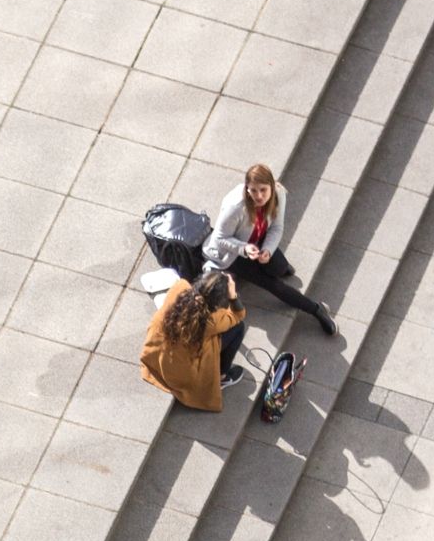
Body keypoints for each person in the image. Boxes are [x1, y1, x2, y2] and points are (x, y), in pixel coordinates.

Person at [208, 163, 333, 332]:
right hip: (233, 253)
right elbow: (218, 238)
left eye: (263, 190)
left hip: (258, 242)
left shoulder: (278, 194)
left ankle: (277, 265)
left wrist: (268, 249)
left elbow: (276, 227)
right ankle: (317, 309)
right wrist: (244, 249)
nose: (259, 196)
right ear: (247, 188)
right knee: (271, 284)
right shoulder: (235, 207)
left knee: (278, 267)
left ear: (272, 187)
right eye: (253, 190)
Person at [140, 273, 248, 411]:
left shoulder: (179, 288)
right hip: (181, 375)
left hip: (156, 358)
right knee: (238, 328)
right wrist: (233, 296)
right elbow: (238, 315)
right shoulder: (211, 321)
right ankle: (222, 376)